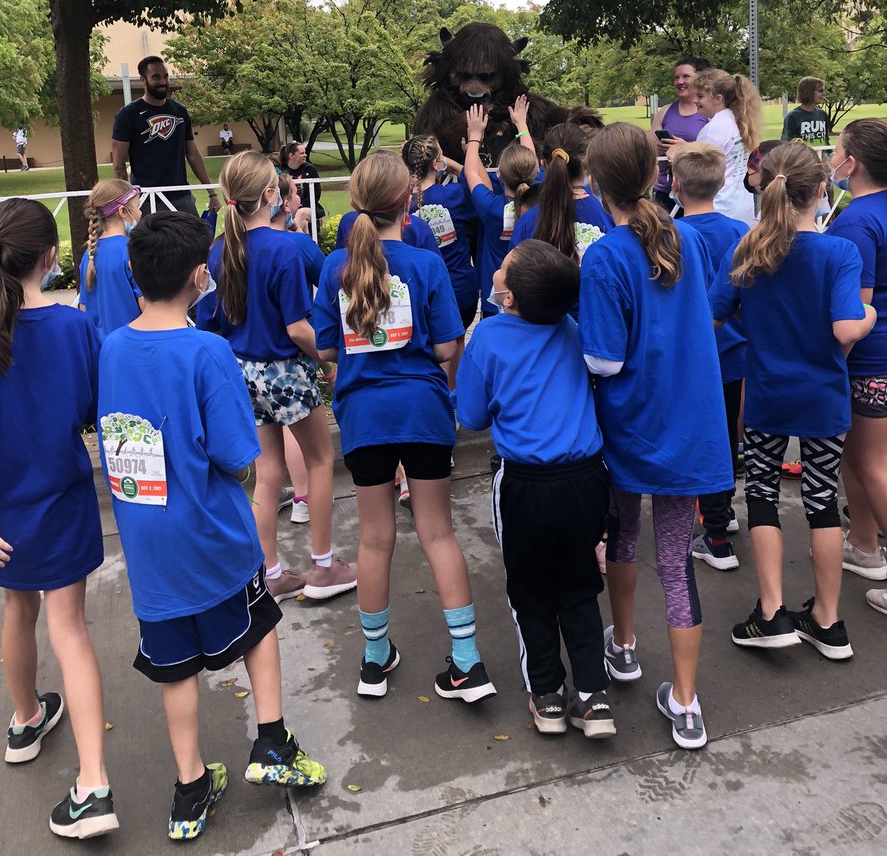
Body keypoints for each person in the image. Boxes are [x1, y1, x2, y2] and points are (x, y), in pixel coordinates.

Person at [98, 212, 326, 840]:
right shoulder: (208, 350)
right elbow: (236, 455)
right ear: (201, 275)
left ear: (133, 274)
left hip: (148, 549)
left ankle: (190, 789)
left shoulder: (114, 346)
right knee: (259, 626)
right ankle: (272, 744)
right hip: (215, 539)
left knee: (173, 666)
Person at [313, 151, 495, 704]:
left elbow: (325, 349)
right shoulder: (426, 265)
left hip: (365, 418)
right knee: (438, 533)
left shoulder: (333, 268)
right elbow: (445, 346)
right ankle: (467, 662)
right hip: (423, 411)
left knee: (373, 539)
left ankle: (374, 660)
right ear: (408, 201)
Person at [579, 123, 732, 751]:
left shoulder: (605, 257)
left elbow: (603, 361)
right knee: (676, 563)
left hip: (630, 427)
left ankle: (624, 646)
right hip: (692, 426)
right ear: (657, 175)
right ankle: (687, 702)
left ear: (594, 184)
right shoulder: (689, 240)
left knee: (622, 535)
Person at [709, 142, 875, 659]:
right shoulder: (838, 253)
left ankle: (771, 611)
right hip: (823, 398)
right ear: (821, 190)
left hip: (766, 395)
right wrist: (871, 318)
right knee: (822, 500)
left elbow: (714, 312)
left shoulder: (748, 249)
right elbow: (848, 327)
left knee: (760, 494)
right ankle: (827, 619)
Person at [0, 199, 118, 839]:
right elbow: (99, 406)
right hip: (64, 500)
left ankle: (24, 719)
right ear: (49, 256)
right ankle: (93, 782)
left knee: (20, 611)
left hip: (6, 508)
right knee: (70, 629)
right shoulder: (74, 327)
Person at [456, 241, 613, 738]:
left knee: (531, 592)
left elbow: (473, 416)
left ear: (509, 298)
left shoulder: (489, 337)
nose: (497, 268)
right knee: (580, 588)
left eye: (503, 267)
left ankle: (547, 695)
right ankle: (593, 697)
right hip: (589, 479)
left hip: (526, 484)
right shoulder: (573, 331)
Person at [197, 153, 355, 602]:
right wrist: (331, 360)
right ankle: (323, 566)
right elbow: (297, 328)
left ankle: (271, 572)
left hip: (244, 373)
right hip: (285, 370)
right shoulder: (284, 248)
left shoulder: (220, 250)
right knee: (321, 460)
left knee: (266, 471)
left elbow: (212, 321)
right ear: (271, 195)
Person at [669, 144, 748, 569]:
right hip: (733, 351)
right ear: (721, 183)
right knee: (724, 436)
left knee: (701, 440)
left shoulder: (670, 233)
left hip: (692, 357)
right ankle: (723, 512)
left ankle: (716, 535)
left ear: (675, 184)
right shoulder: (738, 230)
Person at [826, 119, 887, 611]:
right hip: (878, 359)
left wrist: (830, 364)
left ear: (854, 163)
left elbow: (854, 312)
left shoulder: (856, 221)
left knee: (873, 463)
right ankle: (864, 545)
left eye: (838, 149)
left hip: (868, 360)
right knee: (859, 458)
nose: (832, 158)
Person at [271, 171, 323, 525]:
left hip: (249, 361)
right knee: (302, 435)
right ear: (283, 201)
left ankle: (269, 567)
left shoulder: (229, 246)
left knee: (269, 452)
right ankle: (304, 499)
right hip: (292, 355)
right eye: (297, 195)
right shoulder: (296, 246)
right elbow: (330, 276)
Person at [111, 56, 221, 217]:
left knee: (194, 241)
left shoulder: (179, 111)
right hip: (146, 199)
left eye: (165, 76)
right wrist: (128, 201)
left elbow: (193, 155)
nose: (163, 81)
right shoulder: (128, 114)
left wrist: (211, 193)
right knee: (150, 243)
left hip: (181, 197)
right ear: (143, 79)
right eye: (156, 77)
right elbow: (119, 164)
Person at [509, 120, 610, 286]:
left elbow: (514, 279)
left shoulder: (527, 221)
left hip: (543, 311)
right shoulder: (609, 215)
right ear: (588, 163)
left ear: (544, 165)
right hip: (596, 310)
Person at [402, 132, 479, 344]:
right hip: (460, 289)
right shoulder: (453, 195)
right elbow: (479, 185)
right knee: (456, 348)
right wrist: (453, 164)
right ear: (437, 163)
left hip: (419, 293)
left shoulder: (399, 204)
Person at [464, 102, 539, 317]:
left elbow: (471, 172)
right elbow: (530, 157)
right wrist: (521, 124)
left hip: (495, 301)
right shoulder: (539, 199)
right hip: (531, 298)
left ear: (499, 176)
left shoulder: (491, 208)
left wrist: (474, 136)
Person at [692, 68, 762, 227]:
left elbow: (701, 173)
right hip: (741, 206)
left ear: (718, 98)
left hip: (720, 208)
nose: (695, 100)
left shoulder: (713, 130)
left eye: (700, 96)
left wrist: (679, 156)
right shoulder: (740, 120)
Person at [78, 180, 145, 339]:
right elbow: (147, 306)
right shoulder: (132, 250)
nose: (140, 213)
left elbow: (83, 307)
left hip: (101, 349)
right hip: (132, 346)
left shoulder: (89, 254)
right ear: (122, 212)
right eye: (137, 207)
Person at [650, 58, 710, 210]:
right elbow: (650, 148)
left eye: (685, 76)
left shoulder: (709, 113)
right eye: (676, 77)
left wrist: (685, 148)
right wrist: (661, 147)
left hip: (697, 193)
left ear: (700, 79)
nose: (679, 81)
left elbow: (717, 154)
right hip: (664, 191)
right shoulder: (665, 111)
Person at [279, 141, 325, 219]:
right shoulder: (280, 171)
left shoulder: (310, 169)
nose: (305, 155)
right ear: (291, 155)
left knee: (300, 214)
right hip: (285, 207)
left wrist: (300, 206)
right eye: (301, 153)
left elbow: (316, 194)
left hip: (307, 207)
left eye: (305, 153)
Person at [781, 78, 830, 144]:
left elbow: (826, 141)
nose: (824, 94)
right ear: (808, 92)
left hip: (821, 154)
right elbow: (786, 143)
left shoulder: (823, 114)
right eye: (820, 91)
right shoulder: (792, 116)